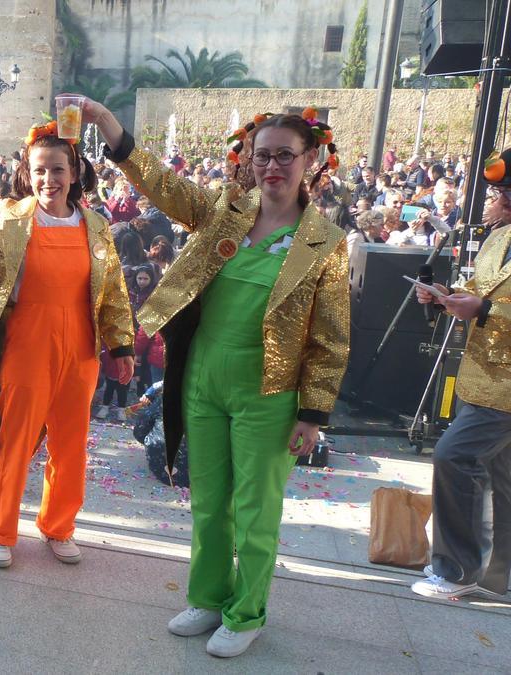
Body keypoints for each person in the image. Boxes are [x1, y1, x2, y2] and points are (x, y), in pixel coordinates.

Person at [99, 101, 350, 657]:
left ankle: (246, 611)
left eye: (286, 155)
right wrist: (105, 122)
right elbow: (162, 185)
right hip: (204, 377)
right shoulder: (225, 211)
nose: (274, 167)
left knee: (256, 509)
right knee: (208, 497)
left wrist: (313, 414)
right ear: (249, 161)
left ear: (310, 158)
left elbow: (330, 336)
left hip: (270, 393)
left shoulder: (325, 243)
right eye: (264, 156)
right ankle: (209, 597)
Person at [0, 119, 135, 570]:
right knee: (15, 439)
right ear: (27, 172)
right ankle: (0, 531)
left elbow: (112, 290)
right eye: (39, 170)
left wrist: (121, 346)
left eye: (57, 170)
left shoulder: (96, 226)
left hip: (80, 344)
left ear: (74, 172)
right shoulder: (9, 217)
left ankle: (59, 526)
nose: (48, 180)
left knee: (71, 442)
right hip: (26, 340)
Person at [411, 152, 511, 600]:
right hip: (481, 377)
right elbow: (478, 291)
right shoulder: (497, 238)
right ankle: (499, 578)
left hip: (505, 391)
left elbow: (487, 304)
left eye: (506, 194)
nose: (498, 200)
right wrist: (445, 296)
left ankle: (456, 571)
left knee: (454, 456)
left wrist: (485, 310)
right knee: (501, 474)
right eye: (497, 192)